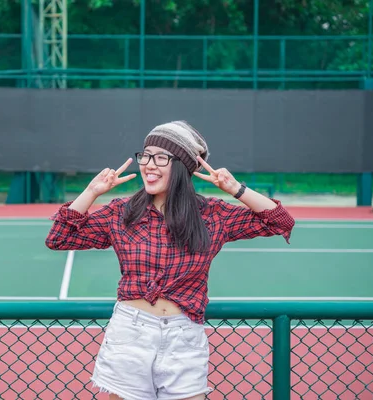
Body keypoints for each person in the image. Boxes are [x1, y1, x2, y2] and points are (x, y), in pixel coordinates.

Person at [45, 121, 295, 400]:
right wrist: (91, 193)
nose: (149, 165)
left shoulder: (213, 215)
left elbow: (279, 221)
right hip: (130, 334)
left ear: (182, 167)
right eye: (146, 156)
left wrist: (236, 189)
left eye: (161, 157)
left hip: (184, 337)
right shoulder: (121, 213)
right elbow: (59, 238)